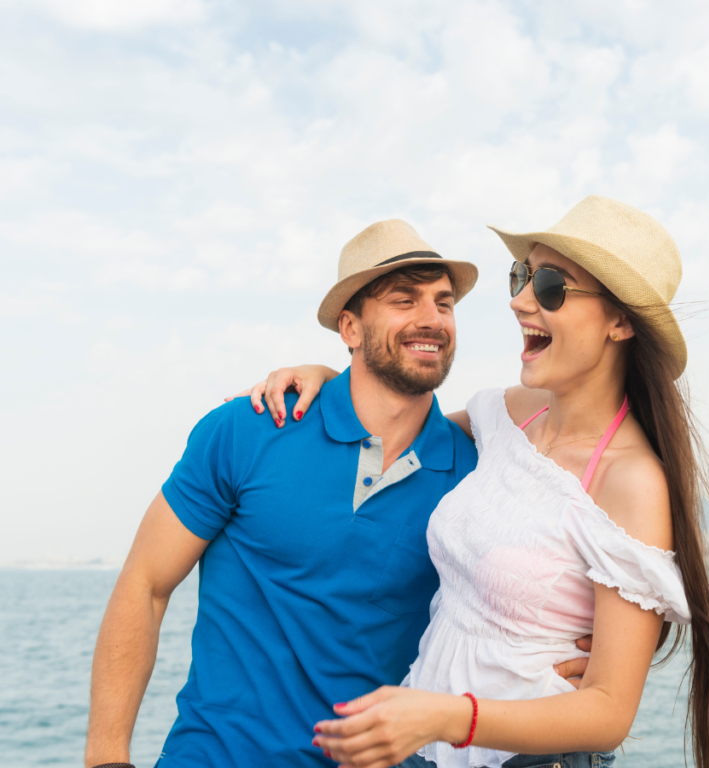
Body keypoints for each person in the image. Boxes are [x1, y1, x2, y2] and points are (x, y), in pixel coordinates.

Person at [245, 196, 709, 768]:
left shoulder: (630, 482)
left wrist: (447, 714)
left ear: (620, 321)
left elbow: (608, 714)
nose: (519, 300)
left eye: (551, 284)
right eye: (522, 275)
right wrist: (336, 374)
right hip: (426, 750)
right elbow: (403, 427)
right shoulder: (510, 413)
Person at [84, 219, 591, 768]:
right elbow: (146, 585)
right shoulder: (250, 428)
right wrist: (107, 757)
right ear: (350, 328)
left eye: (444, 304)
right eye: (404, 300)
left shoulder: (475, 483)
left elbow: (550, 577)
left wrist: (561, 658)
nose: (431, 319)